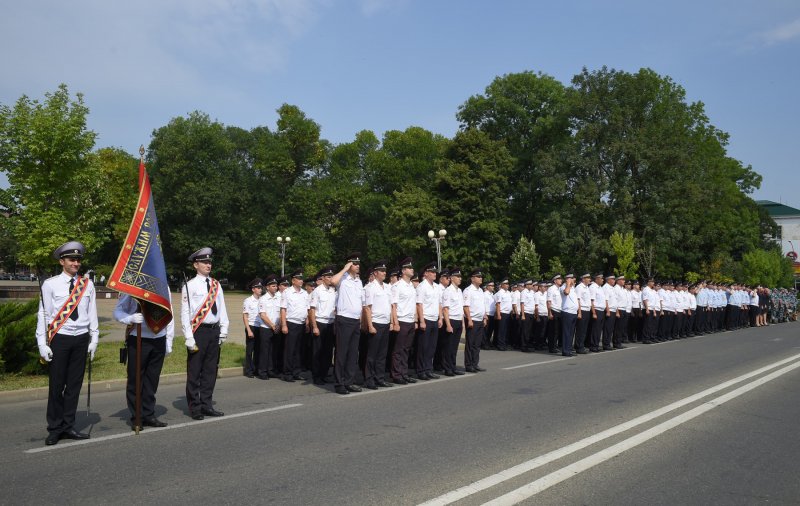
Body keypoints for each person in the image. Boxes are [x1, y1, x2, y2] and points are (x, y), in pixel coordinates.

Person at [36, 241, 99, 445]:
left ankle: (68, 425)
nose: (76, 263)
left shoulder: (87, 285)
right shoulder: (50, 284)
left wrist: (94, 338)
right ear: (62, 261)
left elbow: (92, 313)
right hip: (60, 338)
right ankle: (54, 428)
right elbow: (43, 314)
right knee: (56, 386)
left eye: (78, 259)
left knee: (74, 386)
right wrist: (42, 343)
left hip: (81, 338)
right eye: (72, 259)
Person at [181, 247, 228, 420]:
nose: (209, 265)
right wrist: (188, 336)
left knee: (210, 371)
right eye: (205, 262)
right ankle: (195, 408)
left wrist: (224, 330)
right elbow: (185, 313)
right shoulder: (189, 285)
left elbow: (222, 308)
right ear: (196, 265)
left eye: (210, 262)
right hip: (198, 332)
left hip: (214, 332)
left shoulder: (216, 284)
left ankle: (207, 404)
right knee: (195, 371)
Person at [115, 293, 175, 428]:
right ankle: (137, 416)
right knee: (135, 379)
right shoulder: (132, 288)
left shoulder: (163, 285)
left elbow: (169, 313)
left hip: (159, 337)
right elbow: (118, 311)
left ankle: (148, 414)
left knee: (152, 380)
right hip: (138, 338)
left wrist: (169, 340)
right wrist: (129, 318)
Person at [331, 252, 365, 394]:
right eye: (354, 263)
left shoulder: (359, 281)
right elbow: (332, 281)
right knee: (342, 352)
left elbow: (361, 303)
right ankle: (339, 383)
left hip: (355, 320)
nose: (357, 266)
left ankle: (349, 381)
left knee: (352, 353)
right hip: (344, 319)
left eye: (358, 264)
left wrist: (361, 321)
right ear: (349, 264)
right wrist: (345, 269)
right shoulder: (342, 279)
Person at [363, 259, 394, 389]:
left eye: (385, 270)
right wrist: (370, 326)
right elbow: (367, 308)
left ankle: (379, 378)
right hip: (375, 322)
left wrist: (392, 321)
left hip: (386, 323)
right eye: (381, 271)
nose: (384, 273)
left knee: (382, 353)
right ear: (375, 273)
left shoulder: (387, 287)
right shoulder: (370, 288)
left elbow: (390, 306)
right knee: (372, 354)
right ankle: (369, 379)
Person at [391, 257, 418, 385]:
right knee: (398, 349)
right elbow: (394, 306)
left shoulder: (412, 286)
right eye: (410, 268)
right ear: (403, 270)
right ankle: (396, 374)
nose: (412, 270)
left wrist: (415, 320)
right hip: (401, 320)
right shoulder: (397, 286)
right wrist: (395, 322)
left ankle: (404, 373)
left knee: (407, 349)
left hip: (410, 321)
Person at [309, 266, 336, 385]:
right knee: (317, 351)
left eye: (332, 276)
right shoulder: (317, 291)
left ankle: (324, 374)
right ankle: (317, 376)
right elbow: (312, 310)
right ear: (323, 278)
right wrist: (314, 326)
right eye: (329, 277)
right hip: (320, 322)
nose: (331, 279)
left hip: (330, 323)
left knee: (328, 351)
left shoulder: (333, 290)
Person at [280, 269, 309, 383]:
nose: (301, 281)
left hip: (301, 324)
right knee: (290, 350)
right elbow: (283, 309)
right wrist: (283, 325)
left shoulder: (305, 293)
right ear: (293, 280)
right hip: (291, 323)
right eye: (299, 279)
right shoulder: (287, 292)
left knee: (299, 350)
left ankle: (296, 372)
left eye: (302, 279)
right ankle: (287, 373)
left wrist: (307, 323)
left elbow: (306, 309)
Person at [416, 262, 442, 380]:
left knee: (432, 347)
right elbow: (419, 304)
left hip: (434, 318)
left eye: (435, 272)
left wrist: (440, 318)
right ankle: (421, 370)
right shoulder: (422, 286)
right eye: (432, 272)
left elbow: (439, 304)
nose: (434, 274)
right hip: (426, 318)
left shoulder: (436, 287)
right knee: (423, 347)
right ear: (426, 273)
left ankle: (428, 369)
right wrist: (421, 320)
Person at [441, 267, 465, 376]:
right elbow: (445, 309)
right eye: (458, 277)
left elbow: (460, 308)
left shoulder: (460, 291)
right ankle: (447, 368)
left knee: (454, 347)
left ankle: (453, 366)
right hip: (451, 320)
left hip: (458, 320)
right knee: (449, 346)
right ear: (452, 278)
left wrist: (462, 322)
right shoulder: (448, 291)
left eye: (460, 277)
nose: (460, 279)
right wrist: (448, 325)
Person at [463, 269, 488, 372]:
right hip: (472, 320)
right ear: (473, 279)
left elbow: (483, 305)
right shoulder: (468, 291)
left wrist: (485, 317)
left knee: (477, 344)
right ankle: (469, 365)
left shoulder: (481, 290)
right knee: (470, 344)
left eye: (481, 277)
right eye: (478, 277)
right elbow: (466, 306)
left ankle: (475, 363)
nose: (480, 278)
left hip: (480, 320)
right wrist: (469, 320)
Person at [257, 275, 281, 380]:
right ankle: (262, 372)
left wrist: (279, 325)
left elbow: (280, 313)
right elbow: (263, 315)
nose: (275, 288)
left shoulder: (278, 298)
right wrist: (272, 325)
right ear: (267, 287)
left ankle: (271, 370)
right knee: (265, 351)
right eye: (273, 286)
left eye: (276, 286)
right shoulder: (263, 299)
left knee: (273, 351)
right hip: (266, 328)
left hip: (276, 328)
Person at [242, 278, 264, 378]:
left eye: (261, 287)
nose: (260, 289)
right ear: (253, 289)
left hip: (260, 327)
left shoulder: (263, 300)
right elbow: (245, 316)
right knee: (250, 350)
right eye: (258, 288)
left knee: (258, 349)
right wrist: (249, 330)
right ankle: (249, 370)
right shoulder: (248, 301)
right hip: (251, 326)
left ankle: (256, 369)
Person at [560, 273, 579, 357]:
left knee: (571, 333)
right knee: (567, 332)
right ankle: (565, 350)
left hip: (574, 312)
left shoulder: (573, 288)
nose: (573, 280)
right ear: (567, 279)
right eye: (571, 278)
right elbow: (566, 292)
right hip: (567, 312)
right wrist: (568, 284)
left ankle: (569, 349)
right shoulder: (563, 287)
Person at [546, 275, 563, 353]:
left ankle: (555, 346)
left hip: (559, 311)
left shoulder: (560, 289)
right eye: (559, 279)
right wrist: (549, 313)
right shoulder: (551, 289)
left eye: (560, 279)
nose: (561, 280)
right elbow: (549, 302)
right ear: (555, 280)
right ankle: (552, 347)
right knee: (553, 331)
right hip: (553, 311)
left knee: (558, 330)